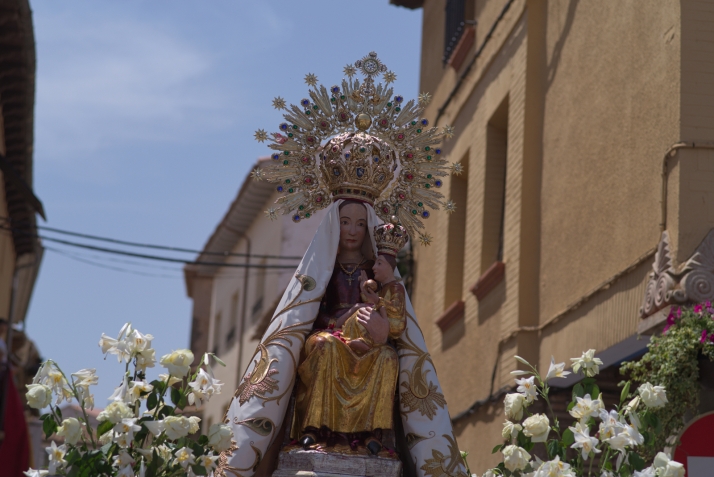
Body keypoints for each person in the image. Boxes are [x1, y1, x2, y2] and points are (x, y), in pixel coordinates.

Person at [292, 207, 406, 456]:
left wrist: (380, 326)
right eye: (345, 222)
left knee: (387, 357)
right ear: (334, 225)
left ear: (369, 230)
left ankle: (371, 433)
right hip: (328, 332)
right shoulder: (323, 267)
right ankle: (314, 428)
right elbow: (310, 311)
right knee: (326, 345)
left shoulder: (375, 271)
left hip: (364, 335)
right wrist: (341, 319)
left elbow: (388, 314)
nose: (353, 231)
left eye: (360, 224)